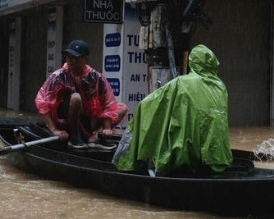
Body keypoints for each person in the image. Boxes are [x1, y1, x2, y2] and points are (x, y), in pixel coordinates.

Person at [114, 44, 233, 175]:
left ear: (193, 63)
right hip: (218, 158)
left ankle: (130, 162)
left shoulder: (182, 83)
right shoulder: (220, 86)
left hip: (188, 156)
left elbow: (150, 103)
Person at [35, 39, 128, 150]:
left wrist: (107, 128)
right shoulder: (58, 76)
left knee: (123, 108)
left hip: (88, 120)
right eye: (68, 57)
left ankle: (95, 137)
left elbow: (107, 103)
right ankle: (75, 137)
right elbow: (42, 104)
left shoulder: (96, 77)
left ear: (85, 59)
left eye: (75, 58)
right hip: (66, 120)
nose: (70, 61)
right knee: (76, 98)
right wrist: (54, 130)